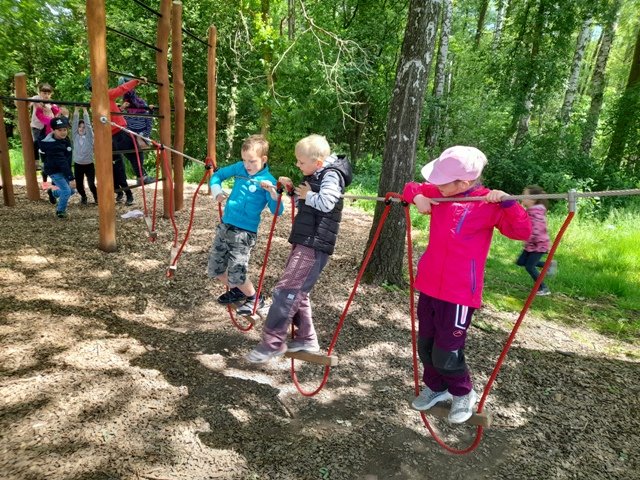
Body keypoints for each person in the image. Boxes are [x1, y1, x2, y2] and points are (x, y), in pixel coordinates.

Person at [402, 146, 531, 423]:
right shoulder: (441, 193)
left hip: (459, 292)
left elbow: (521, 231)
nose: (436, 184)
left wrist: (509, 203)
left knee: (447, 351)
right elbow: (410, 187)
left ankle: (463, 393)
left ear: (464, 183)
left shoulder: (488, 204)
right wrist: (418, 197)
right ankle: (436, 388)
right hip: (430, 284)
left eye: (443, 181)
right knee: (426, 345)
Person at [246, 134, 353, 363]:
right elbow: (305, 204)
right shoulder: (316, 174)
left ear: (318, 162)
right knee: (297, 291)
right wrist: (293, 191)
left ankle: (272, 343)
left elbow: (327, 203)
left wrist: (309, 194)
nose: (297, 164)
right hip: (306, 239)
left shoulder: (331, 175)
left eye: (301, 162)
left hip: (314, 243)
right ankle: (306, 338)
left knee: (286, 290)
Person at [208, 134, 284, 316]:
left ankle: (255, 299)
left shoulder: (268, 181)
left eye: (252, 161)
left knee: (237, 272)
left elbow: (277, 211)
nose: (247, 165)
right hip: (226, 226)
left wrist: (273, 193)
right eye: (244, 160)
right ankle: (238, 291)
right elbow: (217, 175)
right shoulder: (240, 168)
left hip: (244, 232)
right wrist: (217, 191)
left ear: (263, 159)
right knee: (215, 269)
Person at [85, 76, 153, 206]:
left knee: (118, 164)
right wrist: (137, 81)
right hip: (119, 131)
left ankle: (127, 193)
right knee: (135, 152)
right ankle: (141, 177)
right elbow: (122, 89)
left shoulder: (94, 100)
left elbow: (107, 114)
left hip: (109, 136)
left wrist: (120, 109)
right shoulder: (105, 94)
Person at [516, 185, 556, 296]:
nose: (522, 197)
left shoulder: (535, 213)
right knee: (521, 262)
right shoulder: (531, 211)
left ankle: (544, 288)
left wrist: (527, 239)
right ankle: (548, 264)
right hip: (531, 244)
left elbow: (537, 230)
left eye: (524, 195)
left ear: (533, 199)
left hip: (539, 245)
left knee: (530, 266)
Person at [39, 116, 76, 218]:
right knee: (66, 191)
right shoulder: (53, 145)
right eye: (60, 130)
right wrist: (71, 178)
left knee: (72, 191)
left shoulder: (64, 139)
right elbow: (62, 162)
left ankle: (54, 193)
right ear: (53, 130)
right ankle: (60, 211)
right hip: (55, 171)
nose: (63, 132)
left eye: (65, 129)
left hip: (63, 169)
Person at [30, 83, 59, 186]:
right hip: (38, 127)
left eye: (48, 93)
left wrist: (52, 109)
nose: (46, 95)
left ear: (51, 94)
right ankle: (36, 161)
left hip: (48, 129)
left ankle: (50, 185)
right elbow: (27, 104)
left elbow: (57, 112)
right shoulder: (36, 98)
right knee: (36, 143)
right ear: (40, 92)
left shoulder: (51, 103)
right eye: (44, 93)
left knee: (48, 157)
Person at [72, 107, 97, 205]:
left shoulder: (89, 137)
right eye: (80, 127)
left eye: (83, 127)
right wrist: (76, 110)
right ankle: (83, 197)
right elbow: (74, 124)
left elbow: (88, 126)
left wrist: (85, 111)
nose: (82, 129)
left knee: (91, 185)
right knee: (79, 185)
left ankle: (96, 197)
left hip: (89, 165)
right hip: (78, 165)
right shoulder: (75, 136)